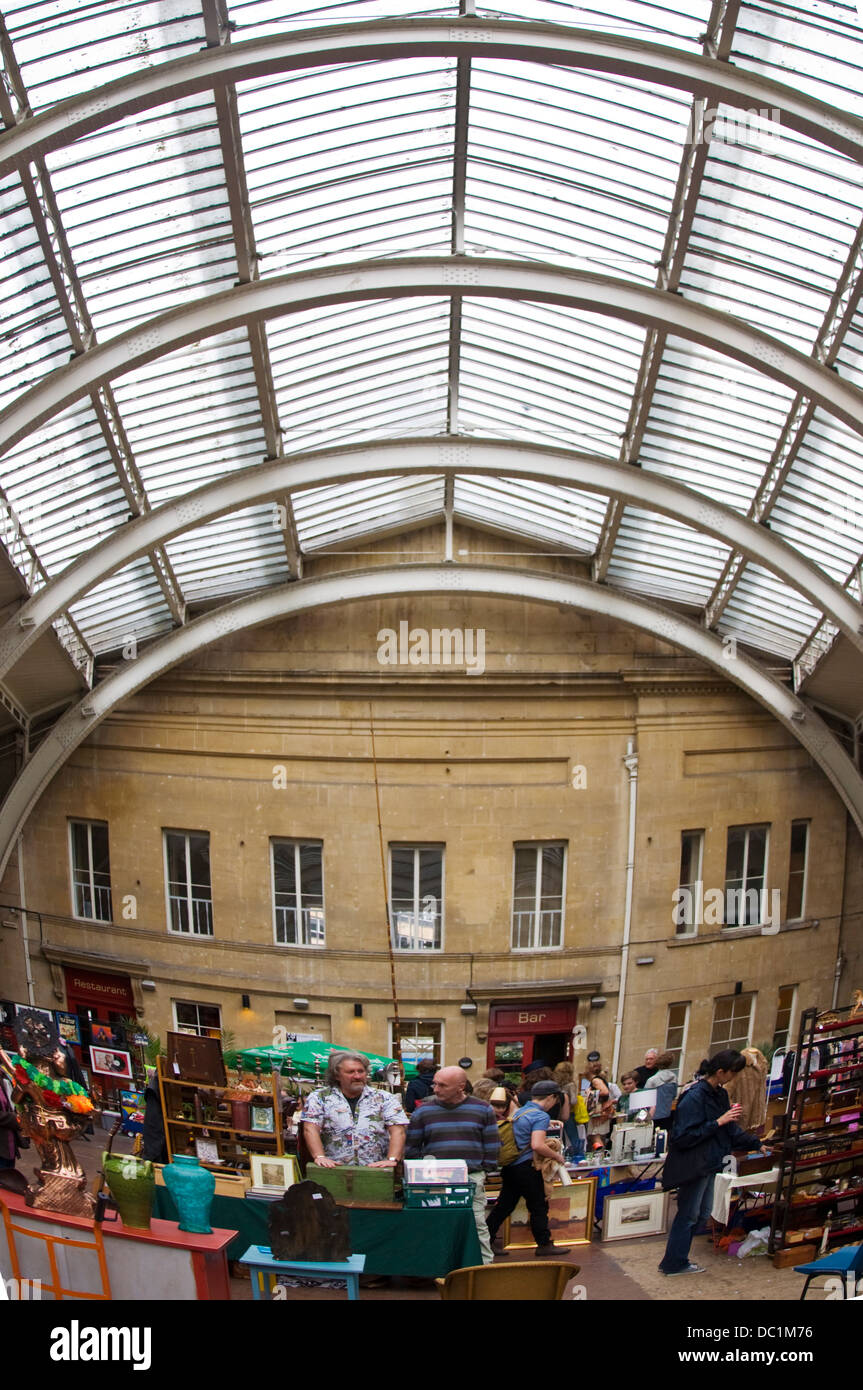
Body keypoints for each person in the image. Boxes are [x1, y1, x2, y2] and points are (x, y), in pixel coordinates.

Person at [659, 1049, 769, 1276]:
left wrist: (756, 1143)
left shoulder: (718, 1094)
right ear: (720, 1072)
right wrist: (718, 1122)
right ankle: (674, 1263)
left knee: (701, 1214)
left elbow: (729, 1128)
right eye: (732, 1073)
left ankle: (678, 1260)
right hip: (694, 1164)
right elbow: (682, 1136)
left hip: (710, 1162)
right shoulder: (695, 1096)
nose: (734, 1078)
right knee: (689, 1214)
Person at [405, 1066, 500, 1263]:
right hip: (433, 1178)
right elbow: (412, 1146)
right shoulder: (423, 1111)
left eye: (442, 1085)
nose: (436, 1089)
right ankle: (435, 1266)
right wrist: (421, 1170)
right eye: (435, 1084)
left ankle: (483, 1267)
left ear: (461, 1087)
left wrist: (484, 1169)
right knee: (435, 1223)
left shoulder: (482, 1109)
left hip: (470, 1176)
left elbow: (491, 1143)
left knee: (476, 1222)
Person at [486, 1081, 572, 1258]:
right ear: (551, 1097)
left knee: (504, 1206)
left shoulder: (520, 1112)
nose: (555, 1104)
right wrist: (557, 1156)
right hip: (527, 1167)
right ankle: (544, 1244)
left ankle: (486, 1240)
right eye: (556, 1100)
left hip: (511, 1166)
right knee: (539, 1205)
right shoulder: (540, 1116)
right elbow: (537, 1145)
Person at [302, 1051, 408, 1168]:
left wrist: (392, 1159)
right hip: (334, 1169)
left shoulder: (385, 1098)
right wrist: (320, 1157)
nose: (357, 1076)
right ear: (337, 1075)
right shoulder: (319, 1097)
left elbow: (398, 1130)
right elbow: (310, 1128)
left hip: (375, 1170)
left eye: (361, 1071)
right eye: (350, 1072)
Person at [723, 1047, 768, 1133]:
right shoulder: (739, 1065)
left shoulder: (762, 1064)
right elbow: (726, 1091)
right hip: (741, 1118)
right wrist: (733, 1110)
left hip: (758, 1116)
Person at [644, 1050, 678, 1130]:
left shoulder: (652, 1080)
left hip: (653, 1117)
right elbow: (674, 1095)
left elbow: (644, 1100)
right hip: (667, 1114)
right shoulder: (674, 1078)